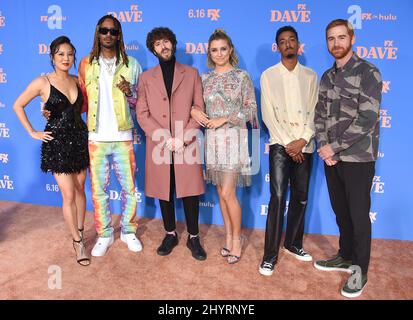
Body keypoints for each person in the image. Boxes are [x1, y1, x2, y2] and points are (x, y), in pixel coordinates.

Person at [314, 19, 382, 298]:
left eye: (341, 37)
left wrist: (335, 147)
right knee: (341, 212)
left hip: (357, 158)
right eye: (331, 39)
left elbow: (367, 119)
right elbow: (319, 115)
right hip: (332, 158)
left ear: (351, 39)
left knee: (357, 215)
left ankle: (359, 270)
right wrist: (322, 145)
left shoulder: (368, 72)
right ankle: (345, 256)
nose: (336, 43)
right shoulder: (327, 76)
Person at [13, 36, 90, 266]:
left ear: (74, 56)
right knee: (68, 194)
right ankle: (78, 242)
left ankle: (80, 230)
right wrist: (32, 132)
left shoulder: (78, 81)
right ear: (52, 57)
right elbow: (18, 105)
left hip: (79, 139)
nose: (65, 58)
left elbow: (85, 108)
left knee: (80, 190)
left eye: (69, 54)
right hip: (57, 144)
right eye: (60, 54)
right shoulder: (42, 82)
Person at [136, 27, 207, 261]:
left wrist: (183, 136)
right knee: (164, 191)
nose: (163, 46)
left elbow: (199, 110)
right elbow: (142, 113)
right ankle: (170, 233)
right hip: (160, 143)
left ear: (173, 44)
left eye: (166, 41)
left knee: (190, 192)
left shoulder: (192, 73)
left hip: (185, 142)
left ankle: (193, 237)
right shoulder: (146, 78)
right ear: (152, 49)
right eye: (157, 44)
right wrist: (163, 137)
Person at [191, 29, 259, 264]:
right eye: (214, 50)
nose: (219, 53)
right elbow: (193, 104)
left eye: (223, 48)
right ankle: (229, 237)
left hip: (233, 140)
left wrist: (226, 118)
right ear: (209, 53)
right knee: (220, 193)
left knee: (229, 193)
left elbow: (251, 109)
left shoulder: (242, 77)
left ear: (230, 50)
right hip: (212, 142)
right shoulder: (205, 78)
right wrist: (194, 110)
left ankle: (237, 240)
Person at [78, 15, 143, 256]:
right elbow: (81, 101)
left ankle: (128, 231)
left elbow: (139, 103)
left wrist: (130, 93)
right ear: (98, 33)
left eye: (113, 31)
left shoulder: (132, 64)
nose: (108, 35)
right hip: (96, 137)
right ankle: (105, 234)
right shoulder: (86, 64)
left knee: (129, 188)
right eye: (104, 31)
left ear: (119, 35)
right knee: (99, 191)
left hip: (123, 135)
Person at [258, 26, 318, 276]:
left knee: (301, 197)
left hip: (306, 145)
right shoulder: (268, 75)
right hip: (280, 146)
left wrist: (302, 139)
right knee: (279, 197)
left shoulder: (311, 76)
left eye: (292, 40)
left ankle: (293, 244)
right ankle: (270, 256)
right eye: (283, 41)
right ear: (278, 47)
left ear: (298, 44)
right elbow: (268, 113)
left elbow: (315, 110)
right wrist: (289, 145)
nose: (288, 44)